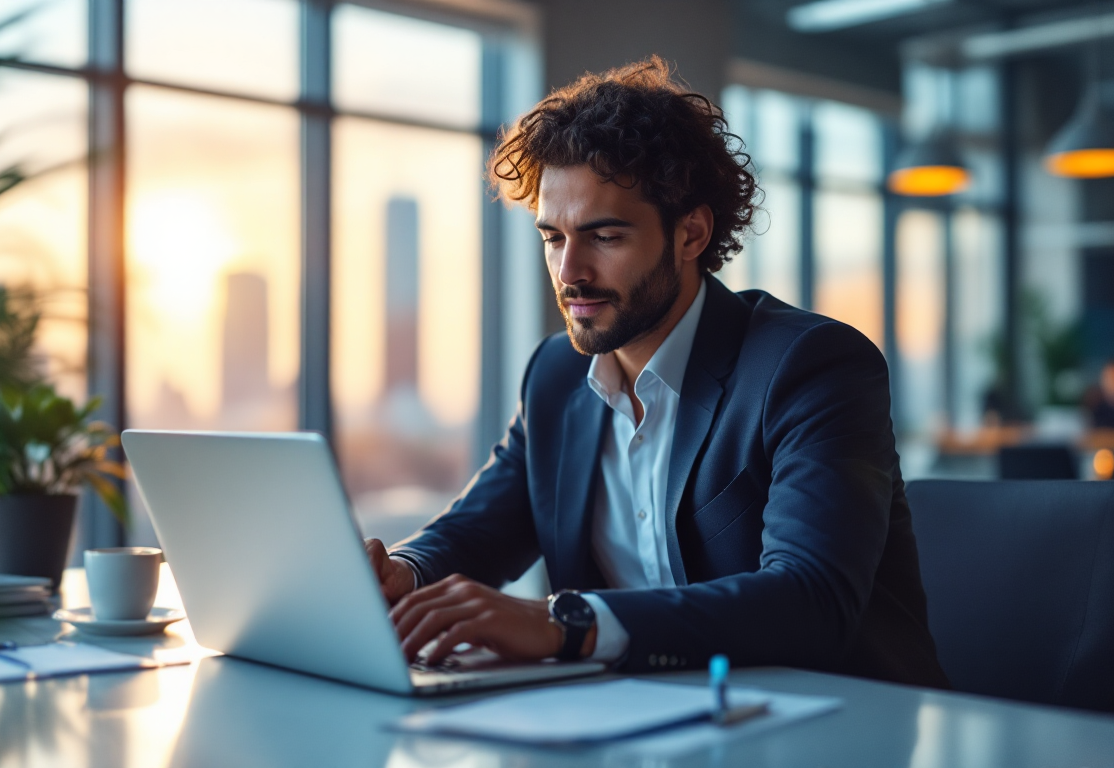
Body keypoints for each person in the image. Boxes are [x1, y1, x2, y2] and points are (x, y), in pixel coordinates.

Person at [363, 57, 949, 688]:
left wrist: (568, 624)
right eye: (553, 238)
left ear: (691, 233)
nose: (569, 273)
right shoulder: (557, 374)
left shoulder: (810, 366)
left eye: (605, 237)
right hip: (644, 727)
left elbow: (810, 601)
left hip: (841, 726)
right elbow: (480, 530)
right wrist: (407, 571)